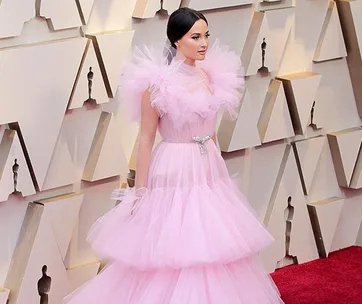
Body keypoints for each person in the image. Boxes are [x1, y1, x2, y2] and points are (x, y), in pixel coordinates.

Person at [63, 7, 284, 303]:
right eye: (196, 37)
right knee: (174, 241)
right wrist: (140, 192)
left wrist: (216, 163)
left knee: (212, 241)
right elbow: (145, 139)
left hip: (208, 166)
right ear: (177, 40)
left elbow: (212, 128)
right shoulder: (157, 85)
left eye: (206, 35)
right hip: (175, 166)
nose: (204, 43)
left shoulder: (212, 76)